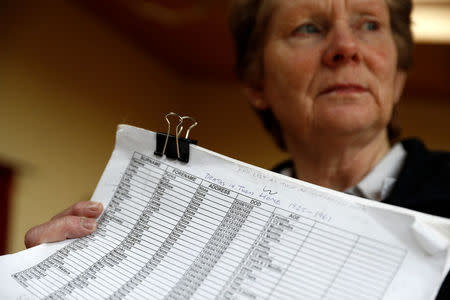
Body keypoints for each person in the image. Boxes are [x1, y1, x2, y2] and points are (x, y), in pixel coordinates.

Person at [24, 0, 450, 298]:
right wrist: (53, 283)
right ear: (255, 83)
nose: (346, 48)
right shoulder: (190, 232)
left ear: (398, 76)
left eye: (369, 24)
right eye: (309, 28)